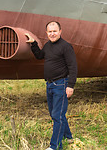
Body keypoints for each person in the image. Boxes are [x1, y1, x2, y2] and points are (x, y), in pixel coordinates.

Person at [25, 21, 78, 150]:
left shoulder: (66, 47)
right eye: (50, 32)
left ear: (60, 31)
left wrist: (70, 86)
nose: (52, 34)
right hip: (50, 85)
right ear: (46, 33)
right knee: (56, 114)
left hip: (61, 84)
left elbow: (73, 67)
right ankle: (68, 137)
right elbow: (39, 56)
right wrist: (33, 43)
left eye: (54, 31)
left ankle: (54, 146)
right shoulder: (48, 46)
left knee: (57, 115)